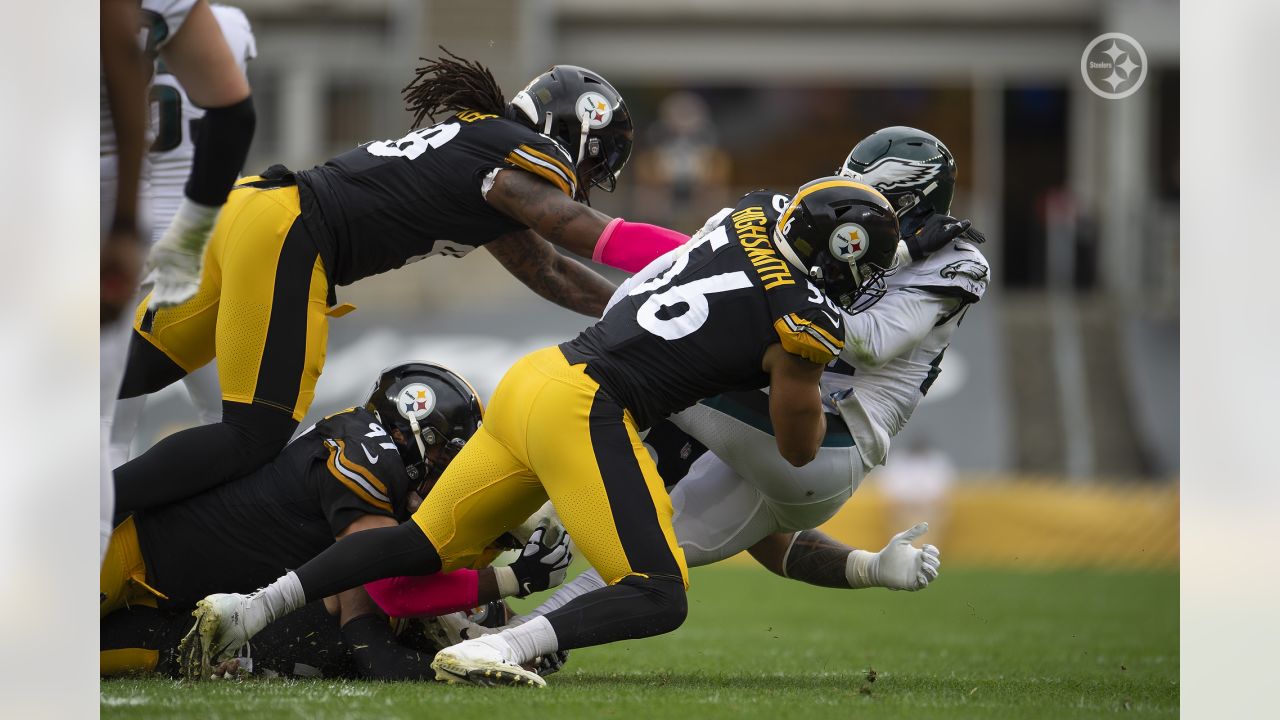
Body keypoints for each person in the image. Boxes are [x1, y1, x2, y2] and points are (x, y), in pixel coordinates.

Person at [176, 177, 905, 687]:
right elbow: (799, 448)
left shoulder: (747, 215)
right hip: (587, 405)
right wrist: (788, 369)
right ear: (840, 254)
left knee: (422, 543)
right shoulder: (804, 319)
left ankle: (253, 606)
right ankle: (500, 647)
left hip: (539, 374)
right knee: (658, 591)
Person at [113, 52, 690, 522]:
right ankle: (95, 511)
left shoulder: (485, 152)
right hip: (292, 235)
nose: (589, 184)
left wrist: (631, 303)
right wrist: (700, 255)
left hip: (253, 211)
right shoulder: (519, 156)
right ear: (575, 132)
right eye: (597, 164)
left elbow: (552, 271)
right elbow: (574, 230)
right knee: (253, 434)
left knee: (123, 375)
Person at [505, 127, 985, 623]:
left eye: (875, 198)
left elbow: (866, 339)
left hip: (840, 430)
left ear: (913, 202)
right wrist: (870, 567)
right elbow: (776, 544)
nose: (855, 208)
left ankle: (542, 519)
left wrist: (896, 255)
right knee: (651, 550)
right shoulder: (788, 218)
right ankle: (514, 630)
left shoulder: (958, 260)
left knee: (637, 380)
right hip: (779, 404)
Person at [100, 362, 572, 679]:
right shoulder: (366, 459)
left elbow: (372, 609)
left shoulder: (373, 461)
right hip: (126, 553)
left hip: (176, 607)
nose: (451, 472)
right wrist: (511, 579)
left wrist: (519, 635)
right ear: (413, 436)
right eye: (448, 455)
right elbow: (389, 589)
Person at [100, 0, 257, 561]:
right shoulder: (228, 25)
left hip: (111, 244)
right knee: (233, 428)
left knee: (107, 435)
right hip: (196, 254)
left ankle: (106, 577)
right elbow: (232, 114)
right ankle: (224, 567)